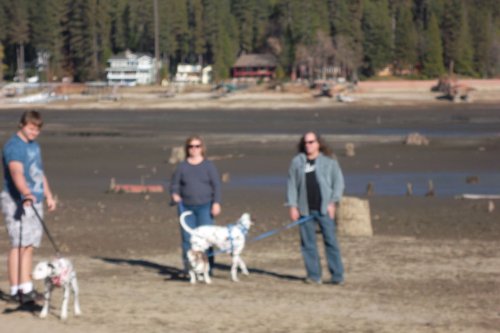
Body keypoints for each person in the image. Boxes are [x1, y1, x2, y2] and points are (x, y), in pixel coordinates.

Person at [1, 111, 56, 303]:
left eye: (37, 129)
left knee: (30, 244)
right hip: (16, 201)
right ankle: (16, 290)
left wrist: (48, 195)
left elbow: (39, 173)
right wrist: (26, 193)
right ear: (21, 125)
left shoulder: (34, 146)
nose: (34, 132)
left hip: (35, 200)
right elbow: (17, 173)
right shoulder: (14, 147)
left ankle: (26, 287)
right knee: (18, 244)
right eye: (31, 128)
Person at [286, 131, 345, 285]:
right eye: (306, 142)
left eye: (311, 142)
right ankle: (314, 276)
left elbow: (338, 183)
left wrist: (333, 202)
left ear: (318, 143)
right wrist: (293, 206)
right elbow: (292, 185)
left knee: (331, 242)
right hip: (304, 210)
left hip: (325, 209)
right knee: (308, 244)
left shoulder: (329, 162)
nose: (308, 145)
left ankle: (337, 276)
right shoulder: (297, 162)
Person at [170, 135, 221, 275]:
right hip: (186, 208)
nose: (194, 149)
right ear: (187, 149)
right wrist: (175, 194)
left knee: (206, 239)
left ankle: (207, 268)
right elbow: (174, 184)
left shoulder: (208, 166)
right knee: (187, 239)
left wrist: (216, 203)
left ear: (202, 148)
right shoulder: (182, 166)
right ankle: (189, 268)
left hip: (205, 206)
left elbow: (216, 185)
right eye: (191, 146)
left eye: (197, 146)